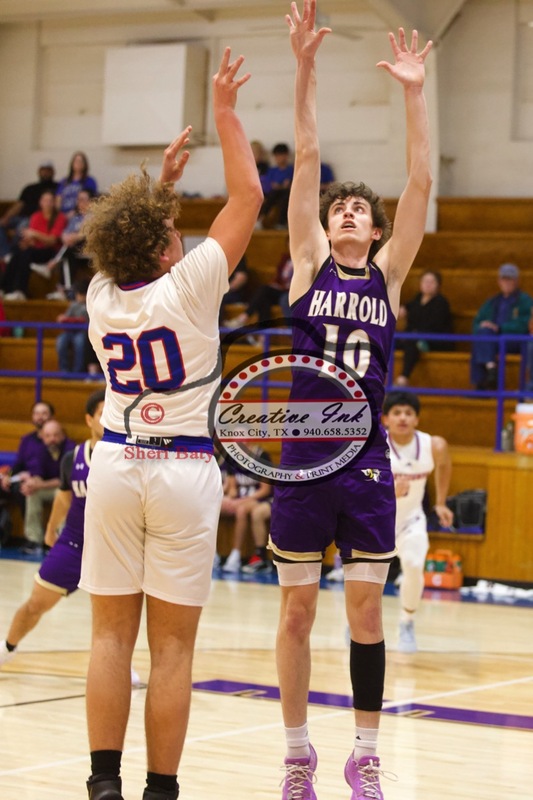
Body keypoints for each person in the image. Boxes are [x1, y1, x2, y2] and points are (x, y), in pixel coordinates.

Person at [78, 46, 262, 800]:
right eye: (170, 229)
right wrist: (224, 111)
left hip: (116, 462)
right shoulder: (189, 287)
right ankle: (160, 790)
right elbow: (248, 194)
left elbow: (129, 240)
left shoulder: (99, 295)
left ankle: (102, 784)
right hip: (183, 469)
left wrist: (162, 186)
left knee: (108, 636)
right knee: (173, 650)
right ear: (162, 247)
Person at [269, 4, 432, 798]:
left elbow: (420, 182)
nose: (347, 211)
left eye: (359, 209)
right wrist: (303, 66)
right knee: (296, 615)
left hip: (364, 453)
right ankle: (297, 755)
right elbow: (305, 153)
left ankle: (363, 755)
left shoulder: (388, 277)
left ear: (373, 230)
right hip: (304, 448)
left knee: (364, 614)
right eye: (340, 206)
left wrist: (413, 93)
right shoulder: (307, 262)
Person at [382, 391, 453, 653]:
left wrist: (441, 502)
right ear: (385, 419)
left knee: (413, 565)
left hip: (411, 519)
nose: (403, 418)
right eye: (397, 413)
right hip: (376, 520)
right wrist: (389, 491)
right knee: (365, 578)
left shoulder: (433, 445)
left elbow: (444, 465)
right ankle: (355, 624)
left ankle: (407, 622)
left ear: (417, 419)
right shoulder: (373, 445)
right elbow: (359, 484)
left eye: (408, 413)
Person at [470, 262, 533, 390]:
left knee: (483, 341)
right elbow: (477, 322)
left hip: (514, 340)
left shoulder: (525, 301)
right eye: (504, 279)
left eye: (510, 279)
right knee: (482, 335)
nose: (507, 282)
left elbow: (524, 324)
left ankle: (487, 378)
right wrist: (484, 325)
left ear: (516, 281)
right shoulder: (493, 301)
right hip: (492, 339)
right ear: (499, 281)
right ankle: (489, 372)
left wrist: (500, 328)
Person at [1, 190, 67, 300]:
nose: (47, 203)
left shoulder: (60, 217)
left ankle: (20, 290)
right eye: (45, 200)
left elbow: (52, 240)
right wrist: (27, 242)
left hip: (50, 251)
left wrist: (34, 234)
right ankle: (5, 289)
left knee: (26, 254)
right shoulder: (36, 216)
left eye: (50, 201)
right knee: (17, 253)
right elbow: (31, 238)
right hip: (34, 249)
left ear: (54, 202)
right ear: (40, 202)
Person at [395, 269, 453, 386]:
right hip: (413, 337)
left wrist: (417, 333)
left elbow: (435, 325)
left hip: (433, 339)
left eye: (431, 282)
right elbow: (408, 306)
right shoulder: (417, 299)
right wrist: (403, 308)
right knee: (389, 340)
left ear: (438, 285)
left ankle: (404, 377)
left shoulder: (441, 303)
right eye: (425, 281)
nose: (428, 284)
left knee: (412, 342)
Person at [219, 446, 273, 573]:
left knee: (242, 510)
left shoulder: (261, 456)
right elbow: (233, 489)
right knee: (215, 507)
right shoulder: (233, 456)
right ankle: (214, 554)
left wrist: (241, 501)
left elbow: (265, 490)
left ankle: (237, 555)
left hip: (259, 498)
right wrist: (229, 498)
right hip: (241, 498)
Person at [224, 241, 293, 331]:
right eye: (289, 243)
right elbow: (279, 278)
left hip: (291, 292)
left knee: (277, 296)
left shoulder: (303, 261)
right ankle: (263, 335)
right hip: (281, 290)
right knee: (264, 298)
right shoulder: (285, 258)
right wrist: (275, 284)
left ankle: (243, 318)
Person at [0, 161, 58, 259]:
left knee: (21, 228)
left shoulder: (56, 187)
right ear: (39, 171)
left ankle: (13, 255)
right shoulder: (29, 188)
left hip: (33, 218)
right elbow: (19, 205)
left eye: (48, 170)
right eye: (43, 170)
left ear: (53, 172)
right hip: (20, 217)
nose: (45, 172)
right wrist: (6, 217)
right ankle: (5, 254)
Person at [55, 278, 90, 374]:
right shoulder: (74, 305)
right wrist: (63, 318)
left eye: (81, 294)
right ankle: (64, 370)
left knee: (80, 342)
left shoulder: (90, 306)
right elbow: (65, 318)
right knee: (61, 341)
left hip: (83, 332)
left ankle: (78, 371)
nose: (79, 297)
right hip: (70, 331)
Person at [259, 142, 294, 229]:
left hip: (287, 193)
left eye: (282, 155)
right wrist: (275, 186)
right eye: (277, 156)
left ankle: (282, 222)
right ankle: (261, 217)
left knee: (285, 197)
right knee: (272, 195)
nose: (280, 158)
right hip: (274, 193)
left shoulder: (291, 169)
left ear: (286, 156)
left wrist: (287, 185)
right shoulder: (272, 170)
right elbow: (268, 184)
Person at [55, 151, 98, 217]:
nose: (78, 163)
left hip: (80, 215)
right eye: (76, 161)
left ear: (85, 164)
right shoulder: (64, 181)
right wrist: (59, 216)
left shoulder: (90, 181)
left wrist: (75, 212)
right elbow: (58, 199)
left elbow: (91, 201)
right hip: (63, 215)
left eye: (81, 161)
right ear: (72, 163)